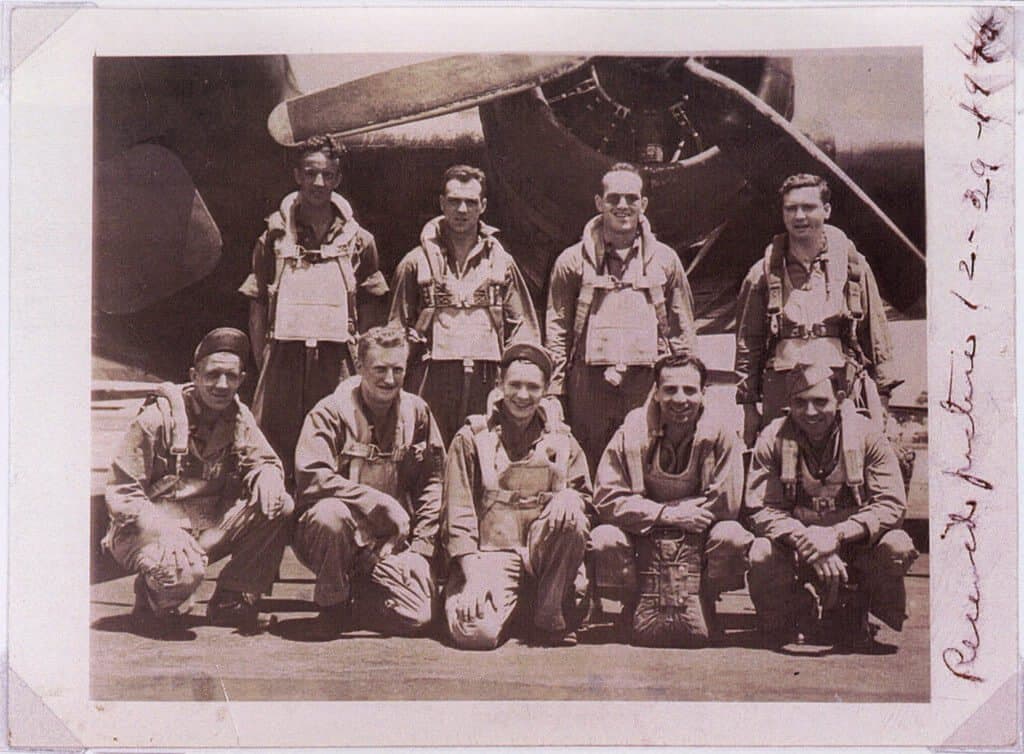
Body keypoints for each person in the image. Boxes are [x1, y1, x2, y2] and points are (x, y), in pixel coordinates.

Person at [104, 328, 294, 636]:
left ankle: (232, 598)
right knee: (181, 575)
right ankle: (153, 599)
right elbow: (123, 491)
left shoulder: (239, 417)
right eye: (213, 375)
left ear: (241, 379)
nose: (222, 385)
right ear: (194, 375)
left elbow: (265, 460)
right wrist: (165, 530)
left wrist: (268, 476)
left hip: (203, 528)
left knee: (279, 505)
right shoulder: (157, 420)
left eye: (231, 377)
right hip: (147, 530)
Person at [239, 135, 388, 476]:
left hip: (337, 360)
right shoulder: (274, 238)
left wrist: (361, 361)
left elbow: (370, 305)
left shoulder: (360, 242)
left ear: (338, 179)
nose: (318, 183)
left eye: (328, 175)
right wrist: (265, 361)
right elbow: (258, 304)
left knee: (340, 441)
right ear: (297, 176)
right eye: (310, 173)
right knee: (275, 446)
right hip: (284, 359)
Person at [745, 361, 918, 650]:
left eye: (820, 401)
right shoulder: (773, 438)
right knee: (760, 551)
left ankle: (858, 607)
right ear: (789, 404)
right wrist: (807, 541)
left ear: (839, 401)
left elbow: (891, 504)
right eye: (800, 403)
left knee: (897, 545)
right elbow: (760, 508)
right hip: (798, 549)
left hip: (854, 546)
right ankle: (787, 613)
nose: (810, 412)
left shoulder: (867, 435)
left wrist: (835, 535)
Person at [292, 325, 446, 638]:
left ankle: (362, 596)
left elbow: (434, 480)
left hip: (388, 538)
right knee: (329, 515)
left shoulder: (416, 411)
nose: (389, 379)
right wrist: (377, 501)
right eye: (379, 369)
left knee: (419, 616)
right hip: (331, 533)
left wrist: (421, 548)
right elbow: (311, 476)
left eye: (397, 369)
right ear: (359, 366)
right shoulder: (330, 412)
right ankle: (332, 605)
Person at [590, 354, 752, 647]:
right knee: (604, 538)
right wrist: (666, 514)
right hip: (643, 535)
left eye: (690, 390)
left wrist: (678, 516)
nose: (680, 399)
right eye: (670, 390)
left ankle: (703, 597)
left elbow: (727, 504)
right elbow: (605, 497)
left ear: (704, 393)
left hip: (698, 535)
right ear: (656, 391)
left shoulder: (721, 432)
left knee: (732, 537)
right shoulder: (633, 430)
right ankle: (634, 602)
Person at [546, 162, 696, 474]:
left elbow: (681, 327)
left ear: (643, 204)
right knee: (587, 462)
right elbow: (557, 327)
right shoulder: (572, 261)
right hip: (589, 384)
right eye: (613, 198)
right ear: (599, 203)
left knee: (647, 456)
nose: (623, 206)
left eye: (631, 198)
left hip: (646, 382)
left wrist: (687, 382)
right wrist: (555, 389)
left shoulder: (665, 261)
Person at [443, 343, 591, 649]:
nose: (523, 395)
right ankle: (519, 606)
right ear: (499, 385)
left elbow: (587, 502)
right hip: (491, 555)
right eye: (515, 385)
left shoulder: (562, 439)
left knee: (572, 512)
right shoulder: (472, 438)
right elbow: (458, 515)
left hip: (544, 556)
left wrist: (570, 498)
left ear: (546, 390)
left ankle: (549, 611)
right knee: (473, 632)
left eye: (533, 387)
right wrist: (472, 577)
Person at [734, 173, 898, 448]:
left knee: (849, 465)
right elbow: (747, 343)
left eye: (808, 207)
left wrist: (882, 397)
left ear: (826, 210)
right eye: (791, 208)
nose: (799, 216)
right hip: (783, 385)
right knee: (780, 465)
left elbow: (876, 334)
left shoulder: (853, 267)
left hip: (839, 384)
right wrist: (749, 407)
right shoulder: (762, 274)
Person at [388, 165, 541, 445]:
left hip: (487, 376)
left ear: (482, 206)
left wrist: (522, 379)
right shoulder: (415, 263)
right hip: (431, 376)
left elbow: (523, 328)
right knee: (428, 452)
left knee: (484, 449)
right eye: (454, 201)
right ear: (442, 203)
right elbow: (396, 327)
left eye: (470, 202)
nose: (462, 210)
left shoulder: (501, 263)